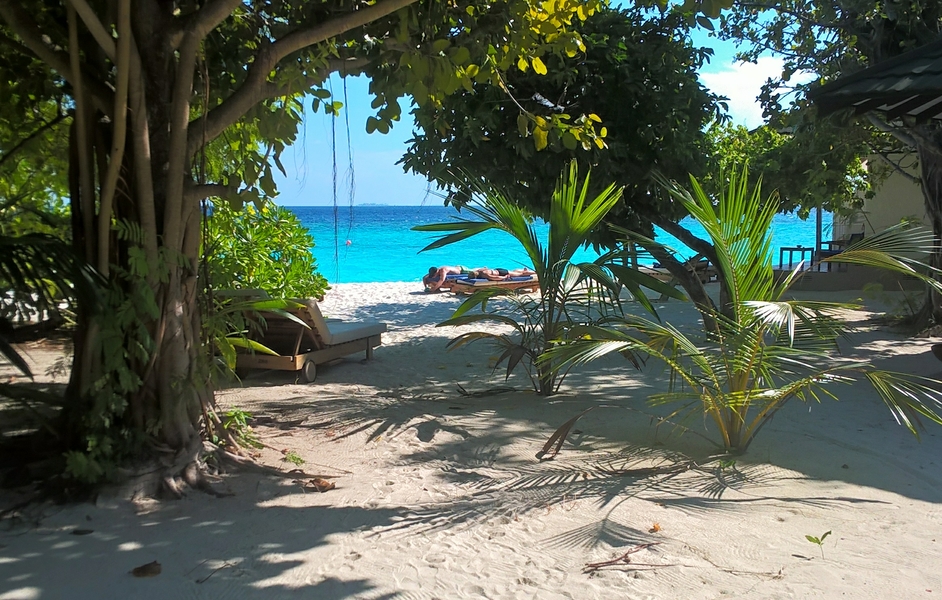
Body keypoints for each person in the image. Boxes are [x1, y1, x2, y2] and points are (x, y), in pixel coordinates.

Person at [469, 267, 535, 281]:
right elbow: (485, 267)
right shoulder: (480, 270)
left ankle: (535, 272)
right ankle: (523, 270)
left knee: (520, 275)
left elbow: (494, 278)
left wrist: (504, 277)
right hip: (497, 269)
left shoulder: (484, 274)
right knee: (515, 272)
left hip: (502, 273)